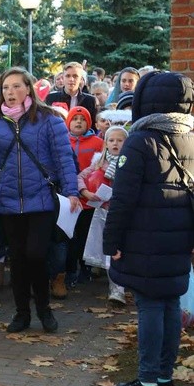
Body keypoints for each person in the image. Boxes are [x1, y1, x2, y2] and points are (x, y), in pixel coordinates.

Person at [104, 72, 194, 386]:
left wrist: (110, 243)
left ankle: (147, 381)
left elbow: (122, 199)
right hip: (179, 237)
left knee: (150, 306)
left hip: (145, 239)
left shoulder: (139, 141)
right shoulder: (191, 138)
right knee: (170, 304)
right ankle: (164, 377)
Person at [0, 68, 80, 334]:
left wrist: (71, 191)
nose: (10, 93)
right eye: (6, 88)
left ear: (29, 89)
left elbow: (64, 159)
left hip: (41, 200)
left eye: (16, 87)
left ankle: (44, 309)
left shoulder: (48, 120)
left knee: (36, 254)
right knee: (18, 260)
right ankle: (22, 313)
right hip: (7, 202)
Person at [78, 125, 128, 304]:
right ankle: (116, 289)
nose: (115, 144)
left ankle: (126, 283)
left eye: (120, 140)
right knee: (110, 252)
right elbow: (81, 177)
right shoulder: (98, 162)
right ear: (105, 143)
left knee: (126, 249)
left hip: (125, 213)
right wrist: (85, 192)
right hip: (104, 213)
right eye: (111, 140)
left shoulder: (131, 162)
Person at [63, 106, 104, 292]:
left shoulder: (97, 142)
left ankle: (85, 267)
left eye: (82, 119)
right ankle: (70, 270)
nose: (78, 122)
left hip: (89, 198)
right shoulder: (63, 141)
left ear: (89, 122)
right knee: (70, 236)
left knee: (87, 235)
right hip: (70, 198)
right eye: (74, 118)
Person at [45, 62, 97, 128]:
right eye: (68, 76)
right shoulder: (51, 98)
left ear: (81, 79)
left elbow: (92, 126)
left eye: (75, 76)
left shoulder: (90, 100)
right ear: (63, 78)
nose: (71, 79)